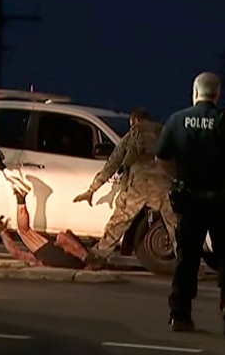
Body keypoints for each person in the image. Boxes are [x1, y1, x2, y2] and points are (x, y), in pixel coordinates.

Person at [155, 71, 225, 338]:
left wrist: (178, 176)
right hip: (222, 202)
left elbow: (161, 157)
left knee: (187, 258)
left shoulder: (176, 120)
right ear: (217, 95)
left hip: (190, 200)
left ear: (195, 92)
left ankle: (180, 315)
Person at [73, 108, 177, 269]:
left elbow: (112, 164)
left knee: (119, 221)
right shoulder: (164, 132)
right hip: (164, 185)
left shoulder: (132, 135)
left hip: (138, 186)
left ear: (134, 121)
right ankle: (188, 263)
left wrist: (91, 190)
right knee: (175, 225)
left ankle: (98, 256)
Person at [0, 182, 91, 268]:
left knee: (25, 232)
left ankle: (21, 197)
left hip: (56, 257)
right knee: (25, 232)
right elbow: (16, 253)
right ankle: (21, 197)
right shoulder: (40, 258)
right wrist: (3, 233)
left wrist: (3, 234)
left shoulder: (37, 259)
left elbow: (16, 252)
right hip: (55, 257)